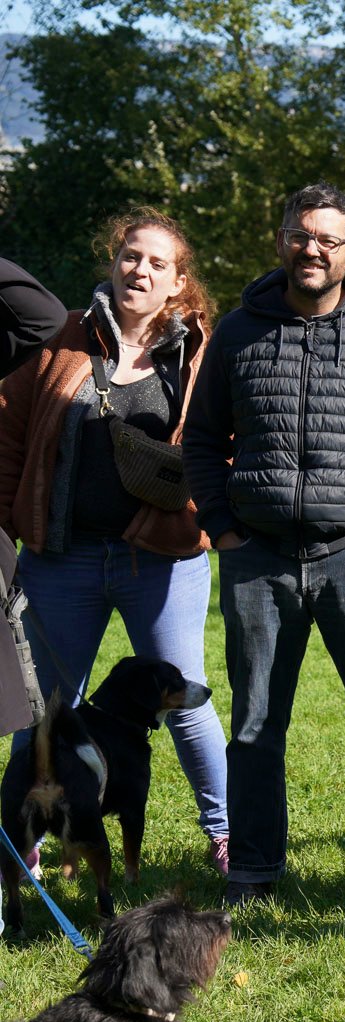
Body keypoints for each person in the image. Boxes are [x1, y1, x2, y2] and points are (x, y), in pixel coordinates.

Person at [183, 182, 345, 907]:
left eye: (328, 239)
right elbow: (201, 439)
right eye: (301, 235)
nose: (312, 249)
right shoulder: (238, 332)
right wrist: (223, 525)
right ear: (282, 241)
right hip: (257, 558)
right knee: (255, 726)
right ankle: (253, 871)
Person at [0, 210, 230, 875]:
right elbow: (10, 435)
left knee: (185, 707)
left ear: (179, 281)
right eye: (132, 255)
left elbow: (226, 444)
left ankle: (228, 834)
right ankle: (25, 840)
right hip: (60, 558)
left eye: (159, 263)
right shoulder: (62, 336)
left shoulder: (200, 352)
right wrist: (5, 532)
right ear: (113, 261)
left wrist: (207, 516)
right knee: (43, 712)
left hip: (161, 560)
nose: (141, 270)